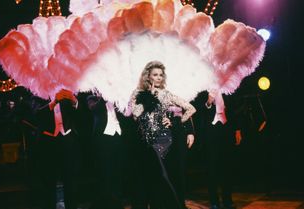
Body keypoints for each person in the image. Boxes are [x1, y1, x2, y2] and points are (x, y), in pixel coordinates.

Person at [130, 60, 196, 209]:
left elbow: (191, 109)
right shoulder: (138, 93)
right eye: (155, 75)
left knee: (163, 176)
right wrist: (149, 97)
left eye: (161, 75)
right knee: (150, 178)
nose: (159, 78)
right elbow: (135, 114)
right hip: (145, 141)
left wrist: (175, 122)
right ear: (148, 77)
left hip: (163, 139)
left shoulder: (166, 94)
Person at [85, 93, 135, 209]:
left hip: (118, 136)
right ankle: (105, 203)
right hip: (103, 138)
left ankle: (117, 202)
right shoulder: (92, 98)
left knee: (117, 170)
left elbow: (126, 113)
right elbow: (94, 109)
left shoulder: (117, 96)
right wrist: (105, 96)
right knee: (105, 171)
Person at [33, 89, 81, 209]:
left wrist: (74, 101)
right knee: (49, 180)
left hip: (67, 141)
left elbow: (79, 115)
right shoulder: (38, 92)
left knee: (70, 179)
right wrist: (53, 102)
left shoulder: (66, 93)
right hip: (48, 143)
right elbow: (36, 114)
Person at [194, 90, 242, 209]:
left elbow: (234, 110)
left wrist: (237, 130)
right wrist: (208, 102)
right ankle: (214, 201)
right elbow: (197, 110)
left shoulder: (227, 88)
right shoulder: (203, 90)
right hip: (210, 132)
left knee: (227, 167)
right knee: (212, 168)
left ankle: (227, 200)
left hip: (226, 130)